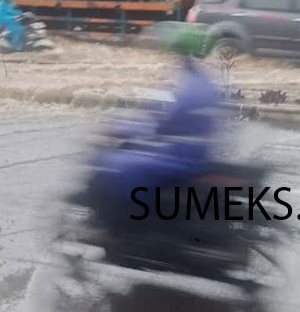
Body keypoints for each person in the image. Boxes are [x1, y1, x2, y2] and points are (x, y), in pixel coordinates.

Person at [89, 23, 221, 199]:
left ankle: (130, 218)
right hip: (183, 148)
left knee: (117, 163)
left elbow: (164, 122)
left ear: (183, 54)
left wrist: (123, 128)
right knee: (128, 152)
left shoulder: (192, 86)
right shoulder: (200, 79)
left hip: (182, 155)